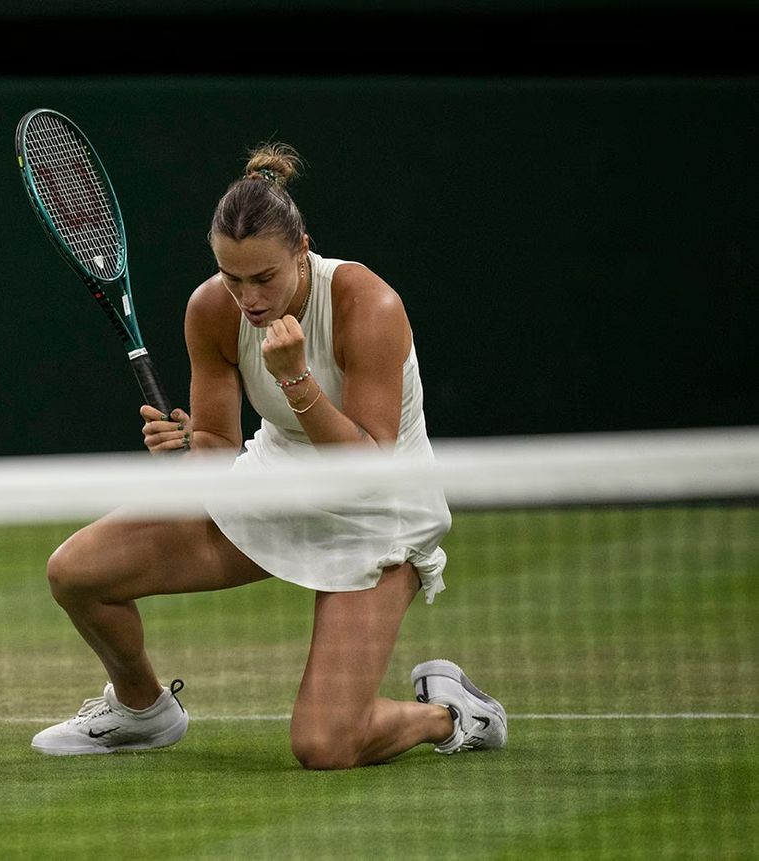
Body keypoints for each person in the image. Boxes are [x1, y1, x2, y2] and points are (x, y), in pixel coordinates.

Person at [30, 142, 506, 769]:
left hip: (377, 514)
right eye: (233, 279)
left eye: (264, 278)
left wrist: (295, 379)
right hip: (273, 486)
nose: (248, 298)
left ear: (302, 249)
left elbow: (369, 466)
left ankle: (452, 712)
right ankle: (141, 710)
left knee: (325, 746)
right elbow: (218, 448)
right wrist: (185, 447)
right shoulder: (212, 310)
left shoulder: (368, 305)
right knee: (77, 572)